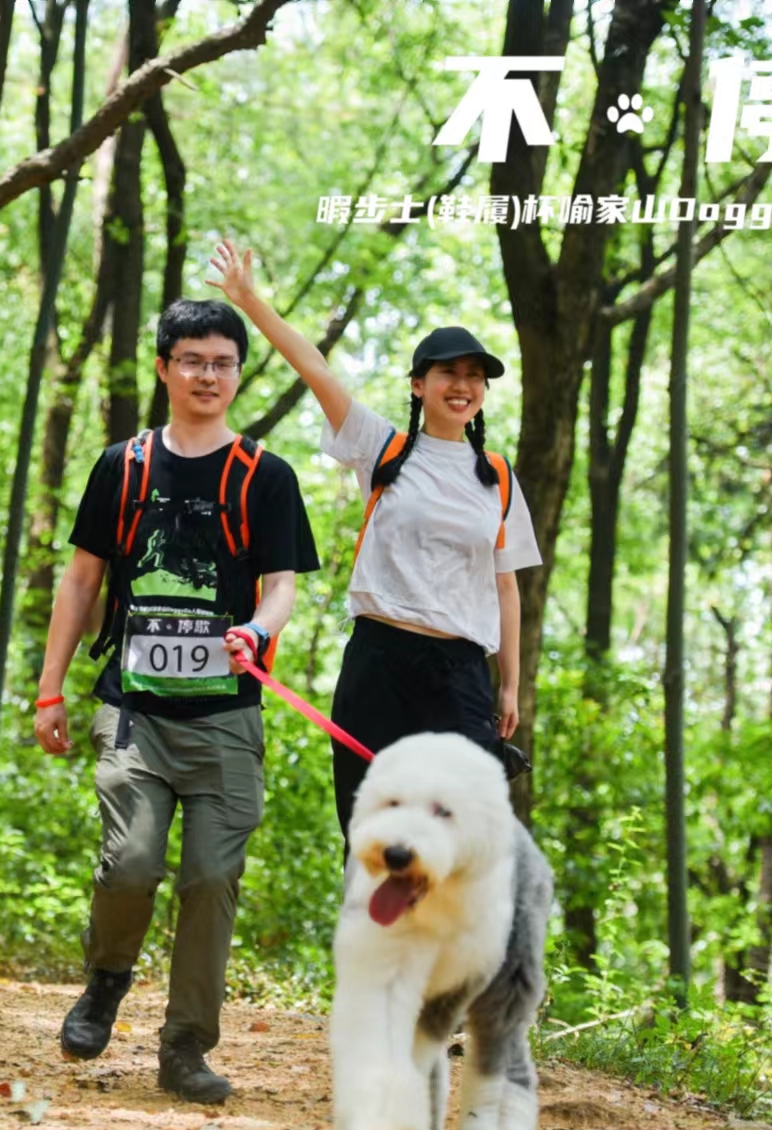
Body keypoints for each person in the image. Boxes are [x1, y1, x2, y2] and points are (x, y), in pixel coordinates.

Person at [33, 298, 320, 1103]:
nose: (207, 375)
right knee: (129, 865)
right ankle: (106, 980)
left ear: (237, 372)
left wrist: (259, 632)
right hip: (134, 711)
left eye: (223, 362)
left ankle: (186, 1047)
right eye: (191, 359)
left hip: (227, 718)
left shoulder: (266, 475)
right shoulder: (121, 467)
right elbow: (83, 579)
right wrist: (50, 688)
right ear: (164, 368)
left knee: (209, 880)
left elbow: (282, 584)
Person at [205, 238, 542, 851]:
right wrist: (249, 300)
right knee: (371, 833)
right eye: (449, 373)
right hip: (379, 663)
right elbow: (315, 369)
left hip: (460, 673)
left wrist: (510, 684)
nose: (462, 385)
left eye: (474, 377)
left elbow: (506, 586)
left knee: (458, 840)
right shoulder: (382, 449)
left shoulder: (497, 476)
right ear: (419, 384)